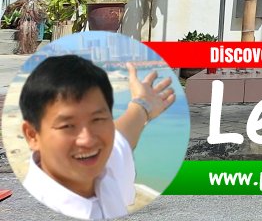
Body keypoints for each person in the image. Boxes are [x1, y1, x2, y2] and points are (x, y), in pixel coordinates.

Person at [18, 55, 177, 220]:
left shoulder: (104, 165)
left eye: (98, 119)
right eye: (67, 126)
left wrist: (143, 105)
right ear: (32, 135)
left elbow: (122, 136)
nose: (87, 140)